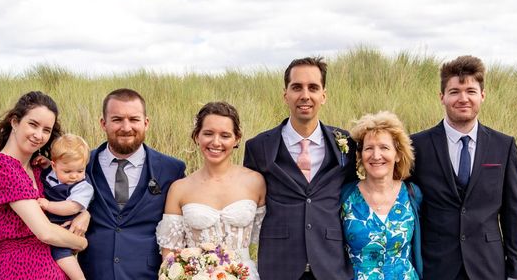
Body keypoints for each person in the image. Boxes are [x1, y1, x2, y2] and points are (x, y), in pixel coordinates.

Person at [410, 55, 517, 279]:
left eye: (471, 91)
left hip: (488, 269)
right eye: (454, 92)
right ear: (442, 96)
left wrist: (515, 274)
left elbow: (514, 217)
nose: (463, 98)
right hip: (436, 268)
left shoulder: (504, 146)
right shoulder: (417, 146)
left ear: (482, 96)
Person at [244, 56, 357, 280]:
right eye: (297, 87)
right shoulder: (258, 147)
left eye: (313, 88)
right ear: (285, 94)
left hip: (330, 266)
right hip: (279, 266)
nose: (305, 95)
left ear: (323, 95)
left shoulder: (345, 144)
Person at [77, 88, 186, 280]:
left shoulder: (172, 170)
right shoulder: (81, 165)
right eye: (117, 119)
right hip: (92, 274)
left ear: (146, 123)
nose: (126, 127)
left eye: (134, 119)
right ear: (103, 123)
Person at [0, 91, 88, 280]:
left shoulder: (37, 169)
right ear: (14, 122)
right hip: (21, 269)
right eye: (33, 124)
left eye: (46, 130)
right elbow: (45, 232)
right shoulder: (2, 168)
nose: (39, 135)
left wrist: (85, 214)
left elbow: (69, 196)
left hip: (53, 265)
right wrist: (82, 243)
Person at [156, 101, 266, 279]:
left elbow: (268, 242)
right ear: (196, 136)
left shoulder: (255, 182)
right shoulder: (180, 189)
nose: (216, 142)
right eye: (208, 133)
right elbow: (169, 256)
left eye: (225, 135)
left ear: (236, 139)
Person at [340, 111, 423, 280]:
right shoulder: (345, 196)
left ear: (398, 154)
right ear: (361, 156)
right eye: (369, 148)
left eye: (384, 147)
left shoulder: (412, 194)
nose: (376, 156)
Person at [39, 134, 94, 280]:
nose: (74, 176)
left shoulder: (83, 187)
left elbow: (72, 207)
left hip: (66, 227)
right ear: (54, 166)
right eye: (68, 171)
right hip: (50, 226)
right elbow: (49, 174)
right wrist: (44, 164)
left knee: (62, 255)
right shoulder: (53, 174)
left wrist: (48, 205)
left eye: (80, 170)